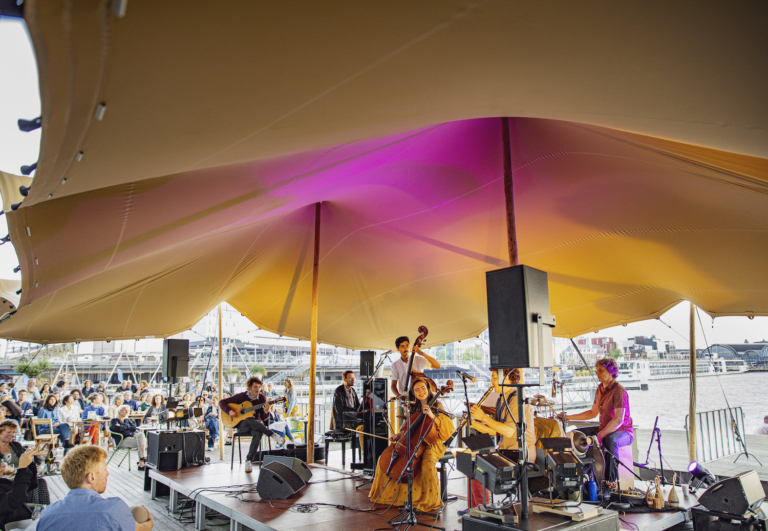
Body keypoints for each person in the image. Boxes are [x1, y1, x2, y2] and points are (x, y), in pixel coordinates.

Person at [369, 377, 452, 512]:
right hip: (414, 441)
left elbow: (446, 432)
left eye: (423, 388)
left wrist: (431, 415)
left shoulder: (438, 405)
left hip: (433, 442)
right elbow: (409, 429)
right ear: (413, 393)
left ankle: (429, 501)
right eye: (416, 390)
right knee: (385, 460)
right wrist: (399, 435)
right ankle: (396, 498)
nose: (420, 392)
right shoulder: (413, 407)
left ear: (428, 389)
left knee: (426, 464)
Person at [37, 445, 154, 531]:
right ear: (91, 477)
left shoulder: (47, 514)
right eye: (105, 469)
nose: (107, 474)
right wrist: (149, 522)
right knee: (139, 512)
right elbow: (141, 529)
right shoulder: (114, 508)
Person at [466, 368, 538, 507]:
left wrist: (484, 417)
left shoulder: (517, 398)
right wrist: (474, 424)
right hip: (507, 452)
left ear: (507, 379)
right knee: (471, 463)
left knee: (479, 468)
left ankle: (482, 509)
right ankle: (475, 509)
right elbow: (497, 431)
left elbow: (510, 431)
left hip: (521, 455)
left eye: (494, 378)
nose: (491, 381)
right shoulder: (502, 399)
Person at [559, 357, 633, 488]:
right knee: (575, 435)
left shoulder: (619, 391)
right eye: (596, 370)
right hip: (605, 428)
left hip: (623, 431)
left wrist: (600, 435)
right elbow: (592, 413)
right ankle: (582, 477)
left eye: (601, 370)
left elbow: (618, 419)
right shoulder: (600, 389)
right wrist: (568, 417)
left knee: (611, 440)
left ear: (611, 372)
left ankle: (610, 482)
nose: (597, 373)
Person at [219, 376, 284, 468]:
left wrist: (266, 412)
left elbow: (263, 418)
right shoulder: (241, 396)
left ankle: (249, 460)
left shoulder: (262, 398)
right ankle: (271, 434)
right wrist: (229, 411)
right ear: (249, 387)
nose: (258, 389)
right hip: (242, 426)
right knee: (249, 419)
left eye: (259, 387)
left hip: (256, 425)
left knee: (258, 433)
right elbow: (221, 402)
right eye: (255, 387)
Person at [0, 421, 38, 528]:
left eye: (13, 432)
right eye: (8, 432)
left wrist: (29, 461)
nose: (11, 434)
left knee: (41, 483)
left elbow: (29, 465)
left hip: (20, 480)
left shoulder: (16, 446)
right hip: (8, 484)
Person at [110, 405, 148, 470]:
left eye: (128, 410)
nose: (127, 412)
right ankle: (142, 460)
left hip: (131, 437)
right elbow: (116, 428)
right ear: (119, 411)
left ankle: (142, 460)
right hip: (122, 440)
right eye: (125, 410)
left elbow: (134, 428)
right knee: (142, 442)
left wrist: (123, 427)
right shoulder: (114, 420)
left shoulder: (127, 420)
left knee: (141, 435)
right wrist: (127, 428)